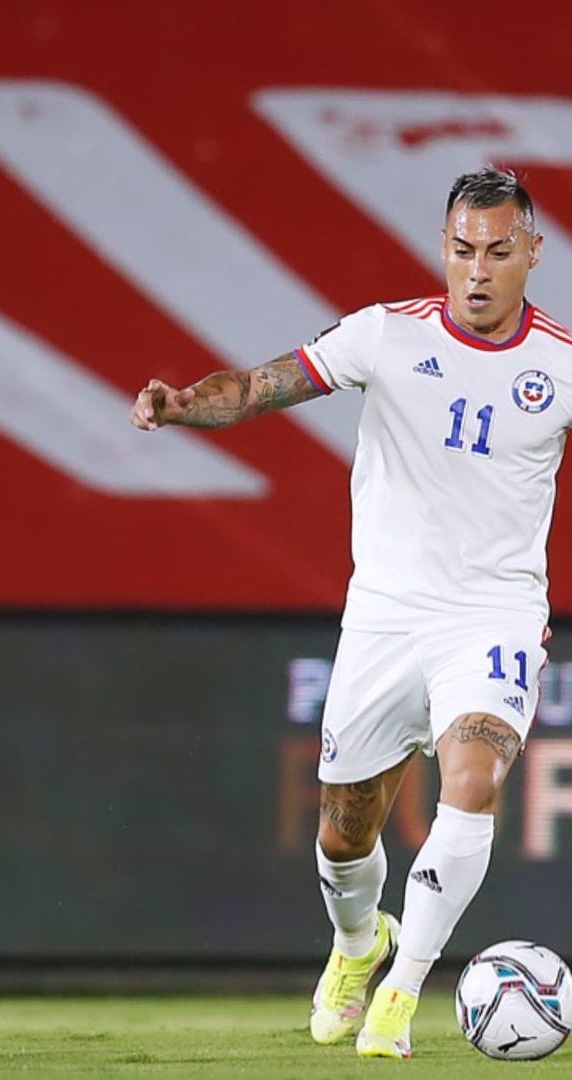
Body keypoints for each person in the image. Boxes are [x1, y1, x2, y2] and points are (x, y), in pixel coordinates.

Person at [131, 167, 569, 1059]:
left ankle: (401, 994)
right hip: (383, 618)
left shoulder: (561, 363)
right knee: (343, 836)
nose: (476, 271)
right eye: (460, 251)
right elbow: (260, 386)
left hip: (491, 616)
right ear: (443, 250)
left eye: (495, 251)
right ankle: (356, 945)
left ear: (531, 251)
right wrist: (185, 406)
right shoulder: (385, 336)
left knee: (475, 778)